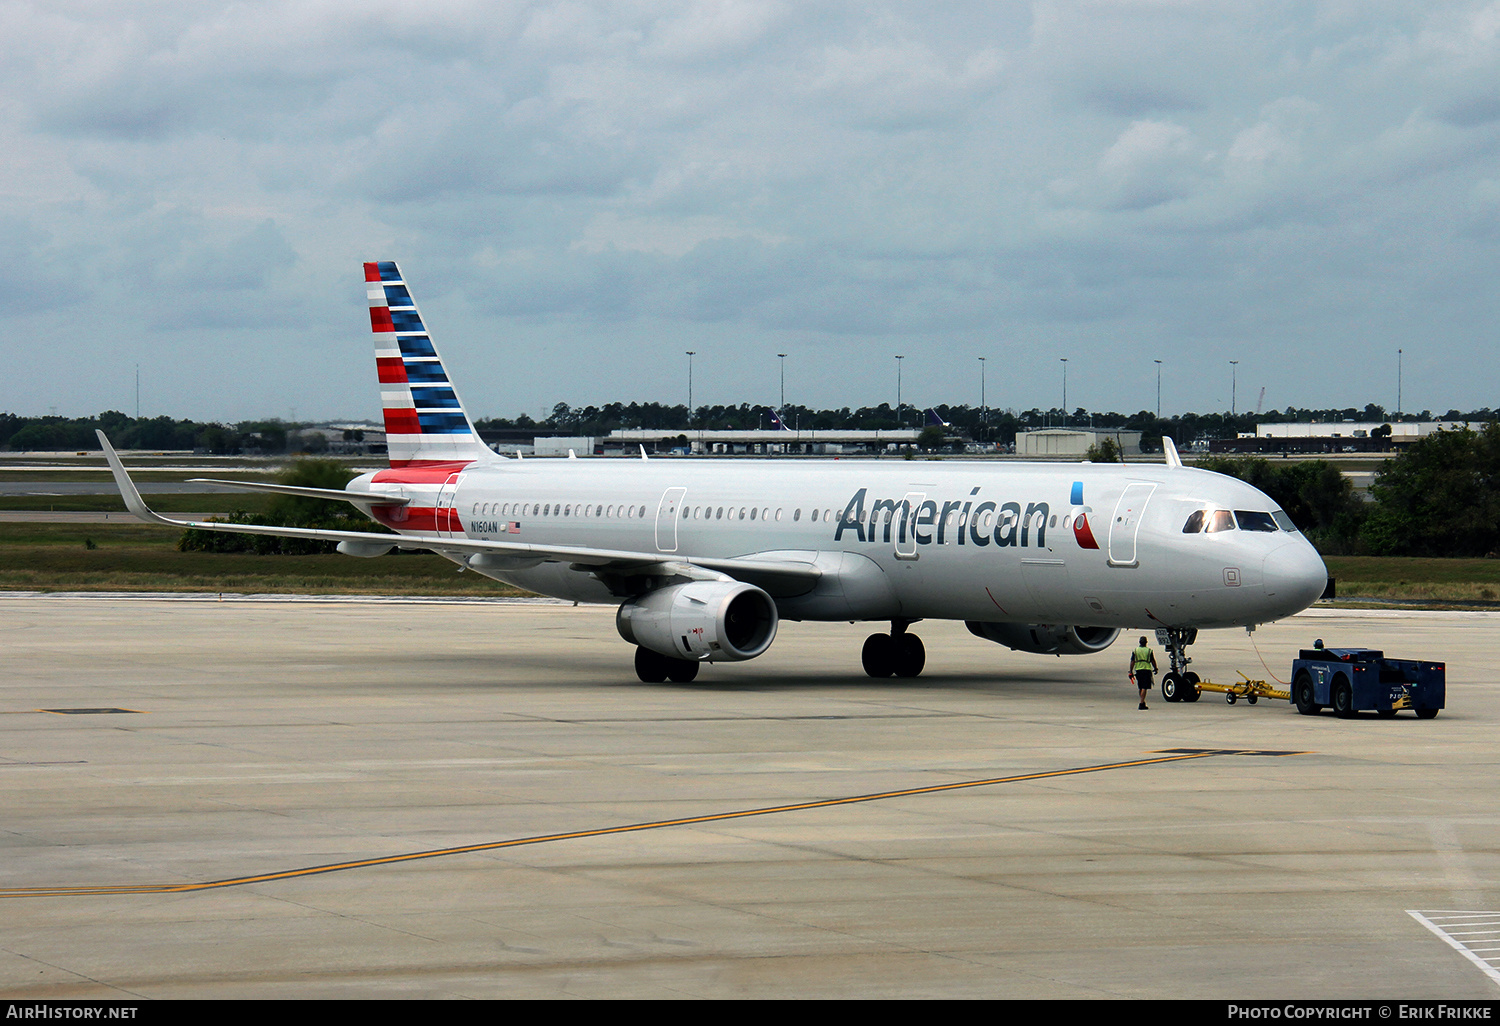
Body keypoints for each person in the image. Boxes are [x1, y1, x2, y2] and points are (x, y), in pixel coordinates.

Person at [1130, 636, 1158, 710]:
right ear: (1146, 642)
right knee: (1144, 687)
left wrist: (1130, 671)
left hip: (1138, 669)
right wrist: (1155, 668)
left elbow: (1132, 661)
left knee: (1140, 687)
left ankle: (1142, 701)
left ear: (1139, 642)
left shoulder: (1135, 650)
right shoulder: (1149, 650)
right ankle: (1141, 703)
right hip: (1146, 669)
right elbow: (1152, 660)